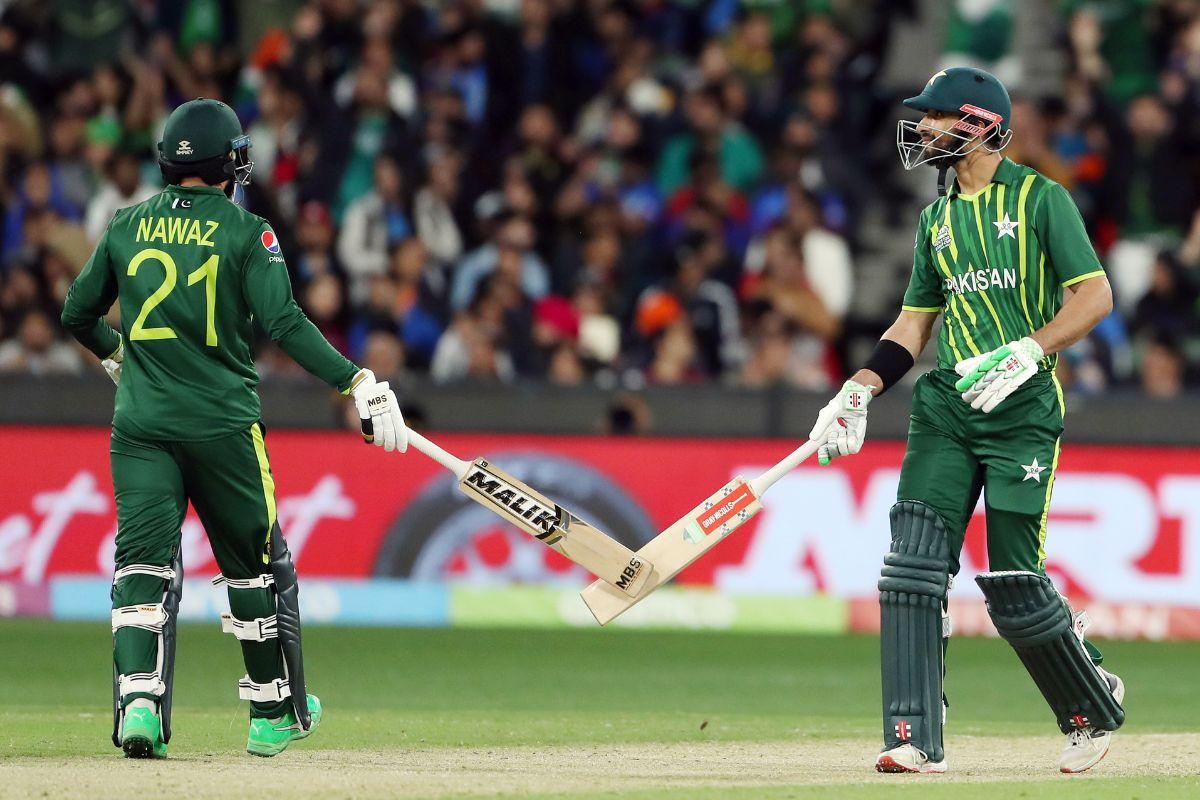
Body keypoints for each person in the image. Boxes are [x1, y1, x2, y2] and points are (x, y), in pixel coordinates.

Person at [59, 99, 407, 759]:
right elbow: (285, 325)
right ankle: (272, 713)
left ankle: (138, 709)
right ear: (230, 165)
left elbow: (77, 310)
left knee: (141, 566)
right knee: (255, 569)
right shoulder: (249, 233)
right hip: (222, 426)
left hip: (142, 426)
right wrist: (355, 380)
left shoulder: (127, 223)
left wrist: (115, 353)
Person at [807, 68, 1123, 775]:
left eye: (933, 119)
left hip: (1021, 411)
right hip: (947, 407)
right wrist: (858, 389)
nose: (919, 131)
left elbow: (1095, 295)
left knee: (1014, 584)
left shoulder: (1042, 200)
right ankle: (914, 733)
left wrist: (1028, 350)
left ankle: (1090, 702)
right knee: (912, 568)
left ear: (978, 125)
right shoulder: (937, 218)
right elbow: (915, 321)